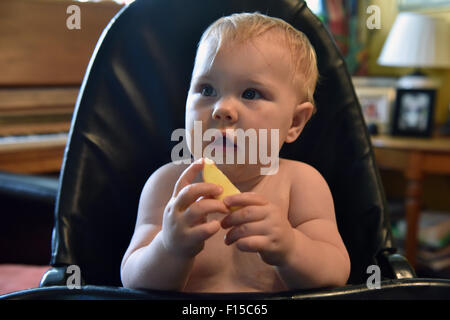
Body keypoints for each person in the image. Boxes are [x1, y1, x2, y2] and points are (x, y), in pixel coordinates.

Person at [121, 12, 350, 292]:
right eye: (207, 89)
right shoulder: (168, 184)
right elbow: (133, 279)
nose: (222, 109)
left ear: (294, 122)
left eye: (250, 94)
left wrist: (290, 247)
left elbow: (335, 272)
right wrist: (169, 247)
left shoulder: (301, 184)